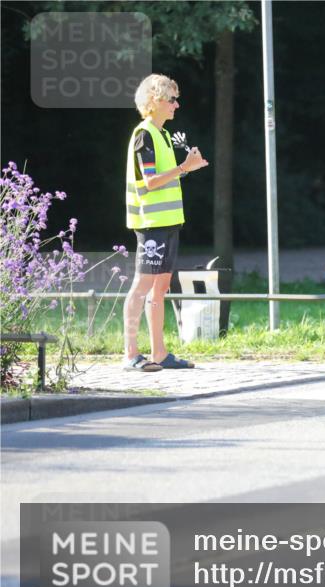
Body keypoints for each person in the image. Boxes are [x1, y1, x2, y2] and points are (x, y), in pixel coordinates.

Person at [123, 74, 209, 371]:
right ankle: (131, 354)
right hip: (151, 224)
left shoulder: (160, 134)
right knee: (142, 286)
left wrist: (187, 170)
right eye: (171, 99)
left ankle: (159, 353)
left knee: (160, 288)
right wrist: (184, 167)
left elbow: (164, 179)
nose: (177, 104)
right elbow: (149, 182)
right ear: (154, 101)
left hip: (168, 222)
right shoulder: (144, 134)